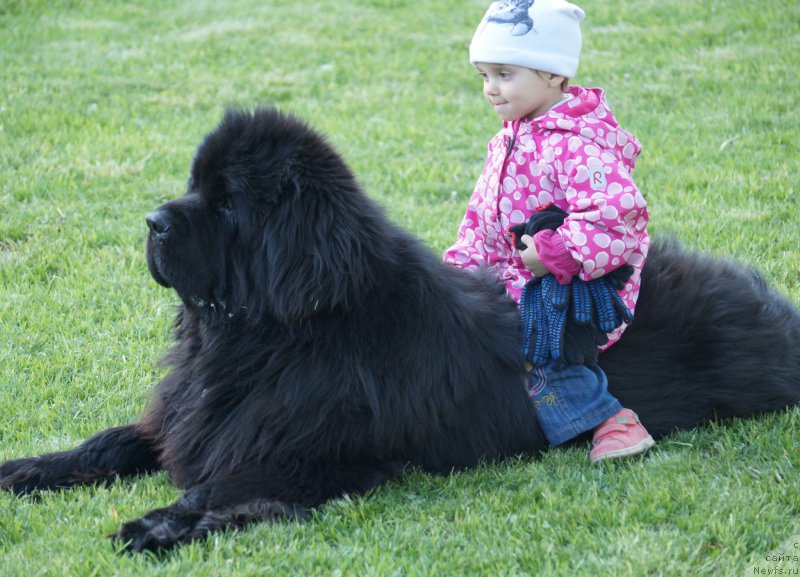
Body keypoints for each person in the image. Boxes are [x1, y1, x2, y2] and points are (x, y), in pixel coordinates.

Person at [443, 0, 654, 464]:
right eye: (483, 75)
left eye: (504, 73)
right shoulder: (509, 138)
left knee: (537, 350)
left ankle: (611, 420)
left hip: (576, 285)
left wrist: (559, 252)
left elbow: (619, 214)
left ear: (554, 75)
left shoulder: (576, 144)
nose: (490, 89)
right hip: (518, 275)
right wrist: (456, 275)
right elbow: (480, 219)